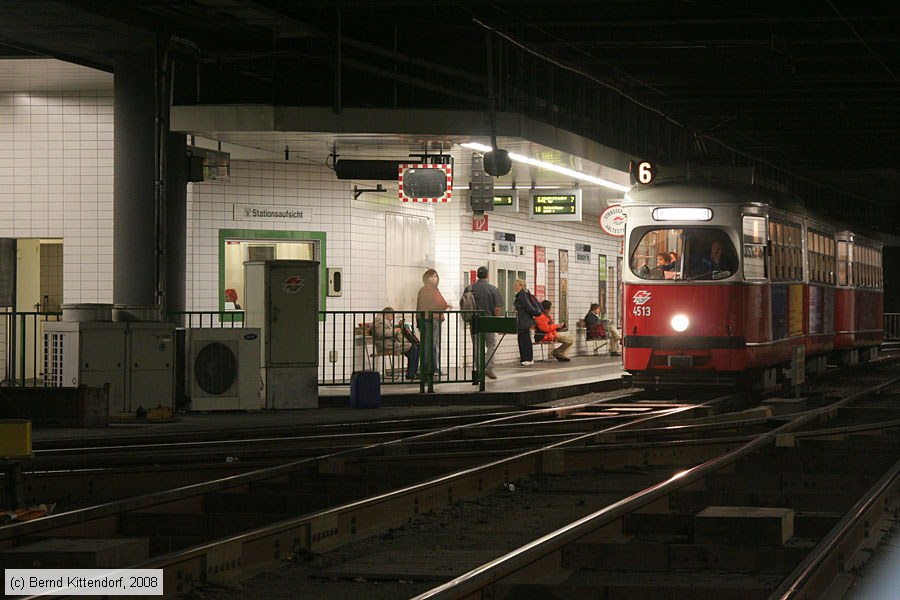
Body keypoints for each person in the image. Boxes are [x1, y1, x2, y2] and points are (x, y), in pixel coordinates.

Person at [469, 266, 503, 381]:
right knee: (491, 345)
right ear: (487, 275)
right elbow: (497, 308)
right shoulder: (493, 289)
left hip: (475, 321)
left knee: (477, 346)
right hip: (489, 321)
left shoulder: (470, 289)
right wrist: (496, 320)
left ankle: (479, 369)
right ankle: (488, 366)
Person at [416, 268, 449, 376]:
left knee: (428, 344)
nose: (434, 279)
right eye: (432, 276)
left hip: (427, 320)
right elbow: (440, 303)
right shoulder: (429, 290)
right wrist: (445, 305)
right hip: (432, 320)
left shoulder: (427, 290)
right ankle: (433, 368)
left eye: (435, 276)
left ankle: (428, 368)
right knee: (433, 345)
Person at [372, 307, 420, 379]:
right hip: (386, 345)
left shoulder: (384, 320)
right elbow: (381, 333)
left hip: (391, 343)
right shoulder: (380, 320)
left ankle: (412, 372)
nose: (393, 318)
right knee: (413, 348)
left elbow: (389, 330)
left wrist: (399, 326)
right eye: (392, 315)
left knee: (416, 347)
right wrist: (396, 330)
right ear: (387, 314)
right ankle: (411, 373)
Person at [512, 279, 534, 365]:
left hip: (524, 321)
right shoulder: (520, 295)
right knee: (522, 339)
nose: (515, 286)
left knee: (525, 340)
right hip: (522, 321)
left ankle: (528, 358)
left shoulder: (522, 296)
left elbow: (529, 307)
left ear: (521, 286)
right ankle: (524, 358)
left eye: (516, 285)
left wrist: (524, 314)